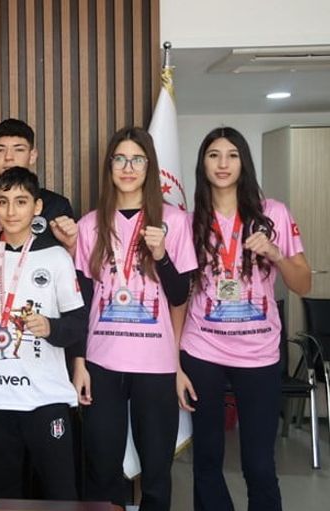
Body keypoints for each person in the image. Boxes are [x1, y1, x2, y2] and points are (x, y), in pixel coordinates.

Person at [179, 127, 311, 511]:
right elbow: (178, 294)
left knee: (259, 462)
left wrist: (276, 253)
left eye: (232, 155)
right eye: (214, 155)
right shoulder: (190, 222)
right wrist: (175, 363)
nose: (223, 163)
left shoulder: (273, 213)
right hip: (202, 349)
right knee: (206, 459)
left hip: (259, 351)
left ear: (244, 162)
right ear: (202, 164)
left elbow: (303, 283)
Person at [72, 127, 197, 510]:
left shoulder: (174, 221)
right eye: (120, 159)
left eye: (137, 159)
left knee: (156, 472)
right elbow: (82, 302)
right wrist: (79, 362)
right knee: (101, 469)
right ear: (109, 166)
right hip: (102, 362)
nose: (128, 168)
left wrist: (162, 256)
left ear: (150, 166)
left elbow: (180, 296)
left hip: (155, 364)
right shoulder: (90, 224)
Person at [0, 167, 88, 499]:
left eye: (21, 201)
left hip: (46, 398)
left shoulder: (57, 257)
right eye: (2, 201)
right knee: (0, 496)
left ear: (37, 207)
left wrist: (51, 327)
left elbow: (78, 323)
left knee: (61, 494)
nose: (11, 211)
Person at [0, 118, 75, 248]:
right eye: (0, 150)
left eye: (18, 149)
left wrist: (70, 245)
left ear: (32, 156)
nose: (8, 157)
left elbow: (69, 257)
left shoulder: (57, 206)